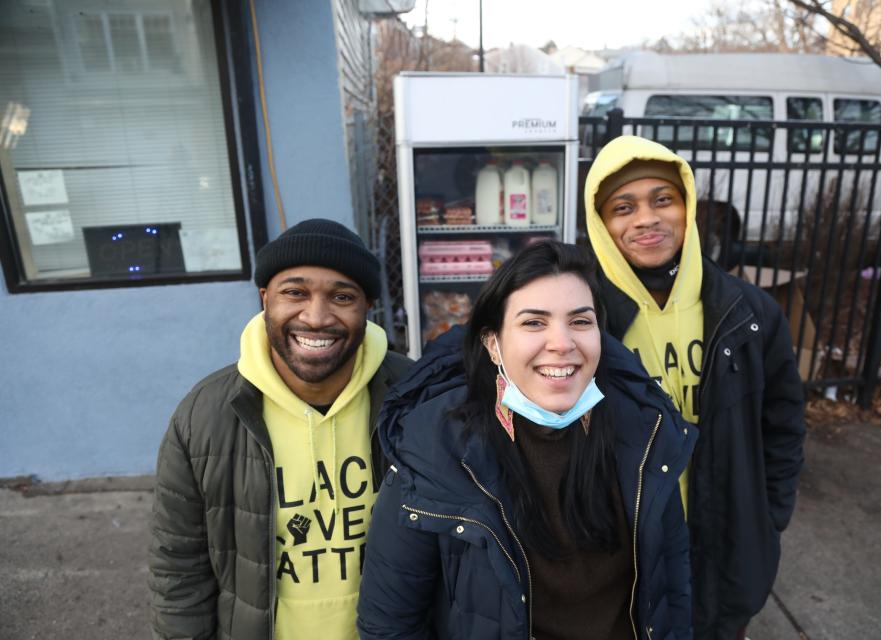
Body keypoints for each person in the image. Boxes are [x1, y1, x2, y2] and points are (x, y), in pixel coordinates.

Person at [356, 240, 698, 640]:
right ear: (492, 343)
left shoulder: (645, 435)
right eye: (534, 322)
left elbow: (672, 590)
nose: (562, 343)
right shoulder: (434, 448)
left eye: (580, 322)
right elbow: (389, 624)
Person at [584, 135, 806, 639]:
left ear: (687, 206)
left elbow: (783, 426)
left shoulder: (748, 314)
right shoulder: (582, 320)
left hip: (725, 547)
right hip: (623, 555)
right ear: (601, 225)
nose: (646, 218)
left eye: (663, 199)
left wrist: (767, 518)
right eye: (623, 207)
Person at [148, 219, 412, 640]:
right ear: (264, 298)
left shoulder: (417, 399)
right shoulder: (204, 415)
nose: (317, 317)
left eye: (342, 296)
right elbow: (179, 568)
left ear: (367, 308)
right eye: (295, 293)